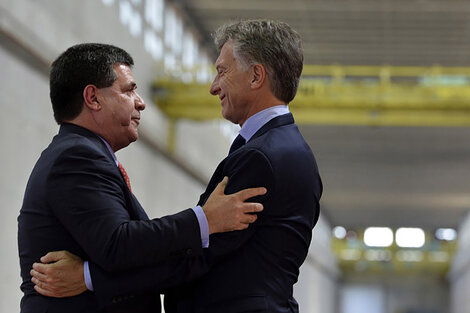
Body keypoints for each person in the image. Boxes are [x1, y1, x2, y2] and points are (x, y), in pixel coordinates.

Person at [31, 19, 322, 313]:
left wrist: (89, 277)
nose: (213, 87)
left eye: (222, 71)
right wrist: (203, 222)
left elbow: (199, 254)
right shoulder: (282, 149)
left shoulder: (262, 157)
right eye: (129, 90)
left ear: (256, 76)